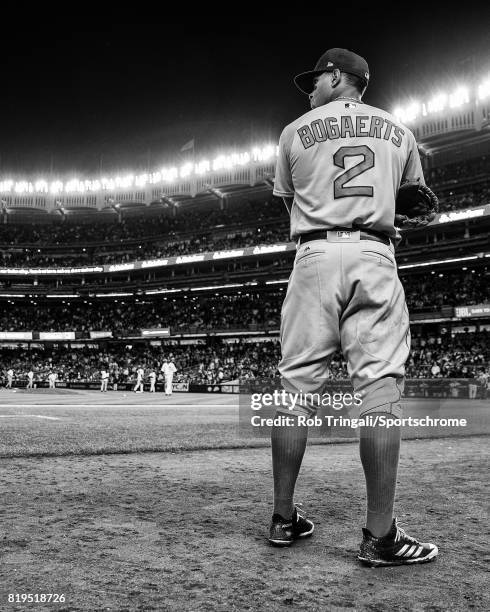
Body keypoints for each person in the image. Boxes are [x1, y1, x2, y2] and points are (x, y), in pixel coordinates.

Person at [269, 47, 438, 566]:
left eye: (315, 79)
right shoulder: (400, 131)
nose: (310, 88)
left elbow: (288, 198)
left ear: (338, 76)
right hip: (373, 251)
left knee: (295, 388)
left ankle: (282, 519)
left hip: (314, 255)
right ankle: (379, 536)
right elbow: (414, 201)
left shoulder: (294, 131)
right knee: (380, 386)